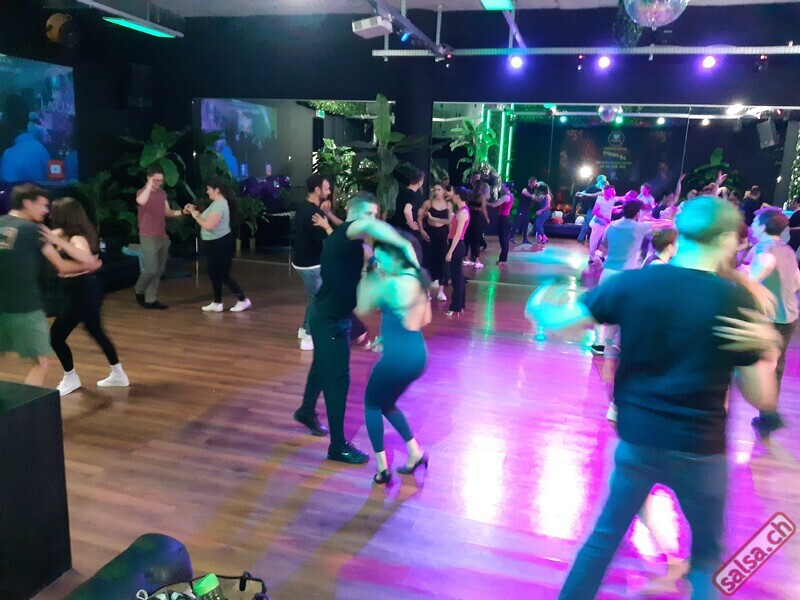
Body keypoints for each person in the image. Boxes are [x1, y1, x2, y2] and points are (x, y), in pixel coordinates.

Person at [527, 195, 781, 600]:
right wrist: (767, 349)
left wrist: (544, 292)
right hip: (701, 450)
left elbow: (558, 323)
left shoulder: (635, 284)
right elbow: (762, 398)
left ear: (681, 233)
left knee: (602, 542)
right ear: (726, 239)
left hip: (639, 442)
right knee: (706, 560)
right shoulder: (736, 299)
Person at [293, 193, 419, 465]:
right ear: (357, 214)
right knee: (338, 381)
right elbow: (369, 229)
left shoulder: (350, 241)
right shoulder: (346, 232)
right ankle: (337, 446)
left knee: (320, 366)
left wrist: (377, 267)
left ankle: (305, 410)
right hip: (329, 320)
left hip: (334, 315)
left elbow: (368, 258)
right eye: (370, 215)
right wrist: (404, 245)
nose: (373, 221)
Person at [0, 184, 101, 386]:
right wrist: (89, 264)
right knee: (40, 364)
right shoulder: (32, 230)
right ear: (28, 203)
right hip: (25, 308)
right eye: (43, 205)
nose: (46, 211)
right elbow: (61, 266)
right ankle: (26, 406)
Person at [356, 235, 431, 484]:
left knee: (371, 404)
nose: (380, 260)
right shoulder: (414, 280)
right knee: (387, 403)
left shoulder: (391, 283)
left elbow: (361, 306)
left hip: (397, 358)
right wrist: (387, 339)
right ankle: (415, 452)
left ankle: (382, 469)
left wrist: (369, 270)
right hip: (418, 355)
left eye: (384, 256)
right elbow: (414, 319)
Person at [48, 198, 129, 396]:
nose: (50, 215)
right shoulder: (65, 235)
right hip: (83, 289)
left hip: (81, 290)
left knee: (56, 336)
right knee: (95, 330)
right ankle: (118, 374)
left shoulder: (77, 239)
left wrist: (62, 255)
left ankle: (71, 378)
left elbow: (86, 261)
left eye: (53, 212)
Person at [747, 208, 800, 438]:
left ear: (763, 226)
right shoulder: (787, 249)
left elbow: (758, 273)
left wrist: (749, 281)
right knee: (775, 366)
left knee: (760, 365)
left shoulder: (765, 249)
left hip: (770, 317)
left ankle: (769, 414)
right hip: (789, 315)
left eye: (755, 221)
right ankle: (767, 417)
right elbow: (797, 281)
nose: (752, 224)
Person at [184, 180, 251, 313]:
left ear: (217, 190)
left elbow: (209, 225)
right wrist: (193, 211)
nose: (207, 192)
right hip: (214, 243)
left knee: (222, 274)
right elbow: (207, 219)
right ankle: (217, 302)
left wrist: (195, 216)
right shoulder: (216, 204)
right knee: (214, 273)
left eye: (209, 189)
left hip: (220, 243)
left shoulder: (219, 205)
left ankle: (243, 299)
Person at [133, 165, 186, 309]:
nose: (159, 183)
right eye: (156, 180)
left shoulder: (162, 194)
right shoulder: (142, 193)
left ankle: (151, 299)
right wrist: (149, 186)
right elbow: (141, 202)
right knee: (151, 269)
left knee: (159, 270)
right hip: (148, 236)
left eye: (161, 180)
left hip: (161, 235)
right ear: (149, 178)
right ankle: (139, 289)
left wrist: (182, 212)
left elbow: (168, 212)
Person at [292, 175, 335, 350]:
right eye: (326, 189)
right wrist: (326, 223)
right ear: (317, 190)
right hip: (311, 264)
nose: (329, 192)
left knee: (313, 295)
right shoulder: (316, 214)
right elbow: (331, 240)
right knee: (320, 299)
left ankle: (304, 329)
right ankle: (309, 337)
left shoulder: (303, 207)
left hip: (301, 261)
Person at [418, 181, 452, 300]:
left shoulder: (448, 204)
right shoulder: (428, 203)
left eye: (439, 189)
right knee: (428, 261)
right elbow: (420, 217)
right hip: (430, 234)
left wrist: (450, 236)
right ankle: (427, 292)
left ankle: (441, 291)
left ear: (444, 191)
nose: (436, 192)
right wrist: (421, 230)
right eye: (434, 190)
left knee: (442, 261)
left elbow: (450, 222)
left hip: (442, 235)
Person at [445, 187, 471, 317]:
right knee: (458, 276)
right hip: (456, 245)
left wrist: (450, 252)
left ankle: (455, 306)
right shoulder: (460, 211)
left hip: (457, 245)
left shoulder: (463, 213)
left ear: (458, 196)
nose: (452, 196)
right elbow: (449, 223)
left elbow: (458, 235)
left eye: (454, 194)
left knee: (456, 278)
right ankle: (459, 305)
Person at [588, 186, 617, 264]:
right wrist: (604, 218)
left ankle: (602, 255)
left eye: (613, 191)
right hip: (598, 223)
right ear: (605, 191)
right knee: (594, 241)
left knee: (607, 240)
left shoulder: (612, 200)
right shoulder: (600, 199)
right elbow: (595, 211)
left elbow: (610, 209)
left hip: (606, 224)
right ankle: (591, 258)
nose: (613, 192)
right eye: (611, 191)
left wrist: (620, 208)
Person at [576, 175, 608, 243]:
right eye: (603, 179)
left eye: (605, 179)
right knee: (587, 223)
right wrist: (580, 194)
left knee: (601, 225)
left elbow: (593, 195)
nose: (604, 181)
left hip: (601, 210)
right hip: (592, 209)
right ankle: (580, 238)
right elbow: (584, 193)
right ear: (598, 180)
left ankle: (600, 241)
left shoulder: (604, 189)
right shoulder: (592, 188)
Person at [392, 169, 425, 234]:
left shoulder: (402, 192)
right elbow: (407, 211)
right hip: (407, 230)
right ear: (420, 181)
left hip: (399, 227)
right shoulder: (413, 195)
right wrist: (412, 225)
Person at [487, 182, 513, 264]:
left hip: (503, 218)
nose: (501, 188)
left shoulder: (506, 197)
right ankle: (503, 258)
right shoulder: (511, 196)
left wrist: (484, 202)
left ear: (507, 188)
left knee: (503, 239)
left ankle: (502, 259)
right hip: (506, 218)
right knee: (504, 238)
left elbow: (494, 205)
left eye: (503, 187)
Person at [465, 182, 489, 268]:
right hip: (477, 217)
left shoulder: (470, 195)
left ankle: (466, 257)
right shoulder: (481, 196)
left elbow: (466, 205)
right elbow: (484, 209)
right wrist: (487, 218)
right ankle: (476, 258)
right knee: (476, 237)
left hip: (469, 215)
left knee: (468, 236)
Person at [511, 177, 536, 244]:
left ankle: (524, 239)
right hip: (522, 207)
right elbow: (524, 192)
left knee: (526, 222)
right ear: (531, 182)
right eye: (535, 182)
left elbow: (534, 198)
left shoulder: (533, 190)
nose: (535, 183)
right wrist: (531, 196)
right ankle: (510, 236)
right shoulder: (526, 188)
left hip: (526, 208)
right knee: (517, 222)